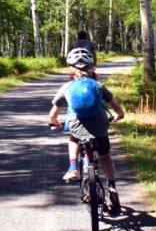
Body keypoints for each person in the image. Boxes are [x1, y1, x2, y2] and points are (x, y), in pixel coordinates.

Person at [48, 48, 125, 215]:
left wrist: (55, 123)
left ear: (70, 68)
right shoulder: (98, 85)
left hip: (77, 126)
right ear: (91, 67)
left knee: (74, 138)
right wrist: (119, 115)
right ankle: (112, 188)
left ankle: (73, 167)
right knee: (104, 156)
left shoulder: (67, 87)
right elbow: (115, 106)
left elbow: (53, 114)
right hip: (99, 127)